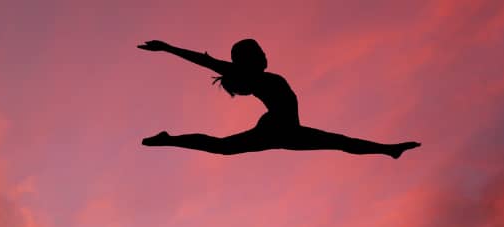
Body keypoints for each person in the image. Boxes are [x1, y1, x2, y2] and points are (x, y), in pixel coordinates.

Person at [137, 39, 421, 159]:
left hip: (289, 132)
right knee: (222, 148)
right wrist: (168, 48)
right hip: (277, 128)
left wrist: (168, 48)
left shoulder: (264, 78)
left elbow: (209, 63)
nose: (263, 56)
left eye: (261, 52)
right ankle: (169, 139)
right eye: (257, 54)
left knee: (341, 143)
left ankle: (388, 150)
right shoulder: (254, 76)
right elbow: (204, 61)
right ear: (249, 60)